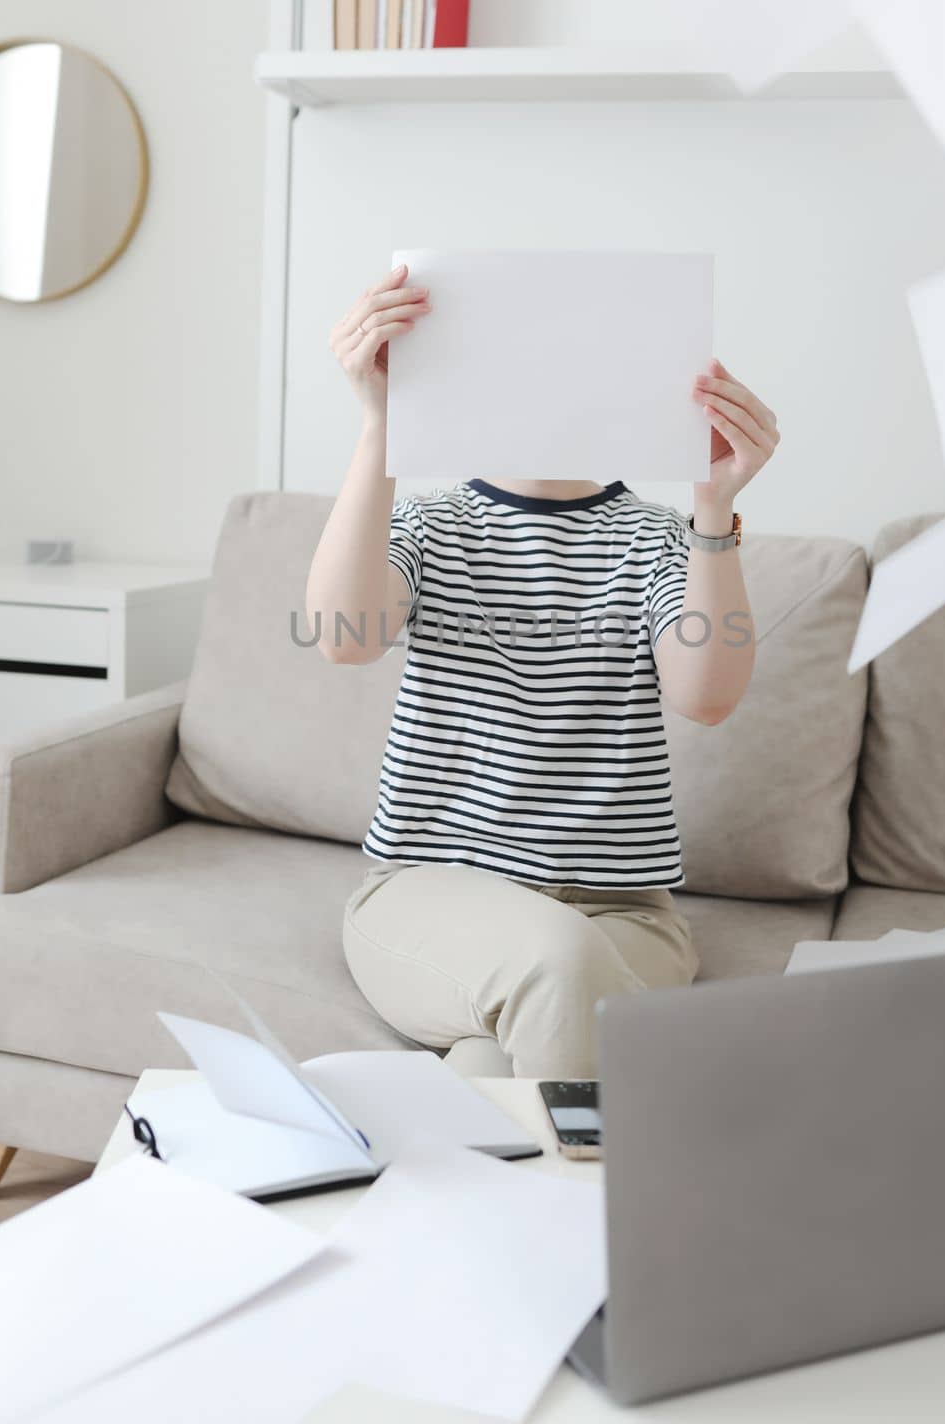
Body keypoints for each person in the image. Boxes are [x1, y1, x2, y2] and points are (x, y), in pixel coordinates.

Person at [307, 262, 779, 1078]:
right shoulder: (429, 521)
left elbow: (705, 698)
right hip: (427, 894)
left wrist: (714, 508)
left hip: (625, 915)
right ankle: (616, 1194)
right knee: (557, 963)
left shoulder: (661, 540)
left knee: (490, 1064)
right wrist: (384, 423)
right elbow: (344, 635)